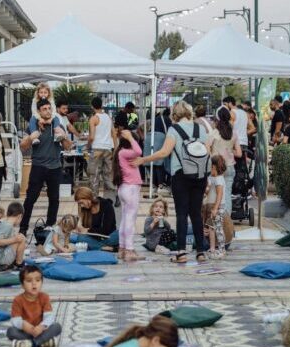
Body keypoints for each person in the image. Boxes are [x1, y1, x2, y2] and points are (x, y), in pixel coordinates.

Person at [132, 101, 209, 264]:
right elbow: (207, 151)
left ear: (175, 115)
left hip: (181, 175)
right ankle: (201, 251)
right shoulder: (201, 129)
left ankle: (181, 253)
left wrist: (144, 159)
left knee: (181, 214)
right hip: (201, 175)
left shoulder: (174, 130)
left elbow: (164, 152)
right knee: (196, 213)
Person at [18, 99, 73, 236]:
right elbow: (22, 147)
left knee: (54, 199)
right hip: (38, 166)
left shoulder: (57, 124)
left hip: (55, 167)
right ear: (39, 111)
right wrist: (30, 138)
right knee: (30, 198)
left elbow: (67, 147)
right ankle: (23, 229)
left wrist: (64, 136)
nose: (48, 111)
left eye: (49, 108)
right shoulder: (33, 125)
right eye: (44, 109)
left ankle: (49, 226)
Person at [7, 265, 62, 347]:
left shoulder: (44, 297)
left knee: (57, 326)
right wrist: (23, 325)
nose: (34, 283)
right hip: (26, 332)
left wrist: (42, 326)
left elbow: (49, 317)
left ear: (42, 283)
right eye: (29, 281)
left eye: (38, 280)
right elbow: (15, 319)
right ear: (22, 285)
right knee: (11, 331)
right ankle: (44, 342)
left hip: (41, 330)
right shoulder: (18, 300)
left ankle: (32, 343)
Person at [113, 128, 143, 262]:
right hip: (130, 189)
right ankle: (129, 250)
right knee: (130, 220)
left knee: (125, 220)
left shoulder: (120, 152)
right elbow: (139, 151)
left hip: (124, 188)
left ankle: (122, 248)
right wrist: (131, 137)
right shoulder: (126, 153)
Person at [207, 107, 242, 213]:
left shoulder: (214, 133)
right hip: (230, 167)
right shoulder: (234, 133)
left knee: (214, 194)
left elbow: (206, 147)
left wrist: (213, 156)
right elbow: (239, 154)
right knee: (227, 194)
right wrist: (229, 152)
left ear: (217, 118)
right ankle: (227, 221)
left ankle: (215, 217)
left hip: (216, 167)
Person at [87, 96, 116, 202]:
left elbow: (91, 137)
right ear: (102, 105)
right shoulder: (108, 117)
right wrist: (115, 148)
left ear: (92, 106)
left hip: (97, 149)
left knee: (94, 174)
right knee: (107, 175)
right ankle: (116, 195)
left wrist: (87, 146)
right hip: (108, 149)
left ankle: (94, 199)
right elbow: (114, 133)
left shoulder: (93, 118)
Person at [72, 186, 119, 251]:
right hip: (94, 237)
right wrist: (80, 228)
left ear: (87, 197)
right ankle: (106, 248)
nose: (81, 206)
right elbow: (83, 228)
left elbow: (107, 230)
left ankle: (95, 246)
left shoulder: (106, 205)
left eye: (81, 203)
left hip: (108, 235)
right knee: (78, 238)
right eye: (79, 204)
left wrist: (88, 231)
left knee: (119, 235)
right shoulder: (84, 209)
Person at [203, 156, 227, 258]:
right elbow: (208, 191)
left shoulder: (219, 179)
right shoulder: (211, 178)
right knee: (211, 228)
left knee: (218, 228)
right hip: (212, 206)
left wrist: (215, 209)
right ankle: (212, 248)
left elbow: (219, 194)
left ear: (213, 167)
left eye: (210, 167)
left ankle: (222, 249)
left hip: (218, 207)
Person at [0, 202, 27, 272]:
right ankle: (19, 264)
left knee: (19, 238)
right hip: (1, 261)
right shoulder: (7, 226)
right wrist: (15, 239)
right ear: (20, 216)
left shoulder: (5, 223)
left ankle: (16, 262)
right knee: (21, 238)